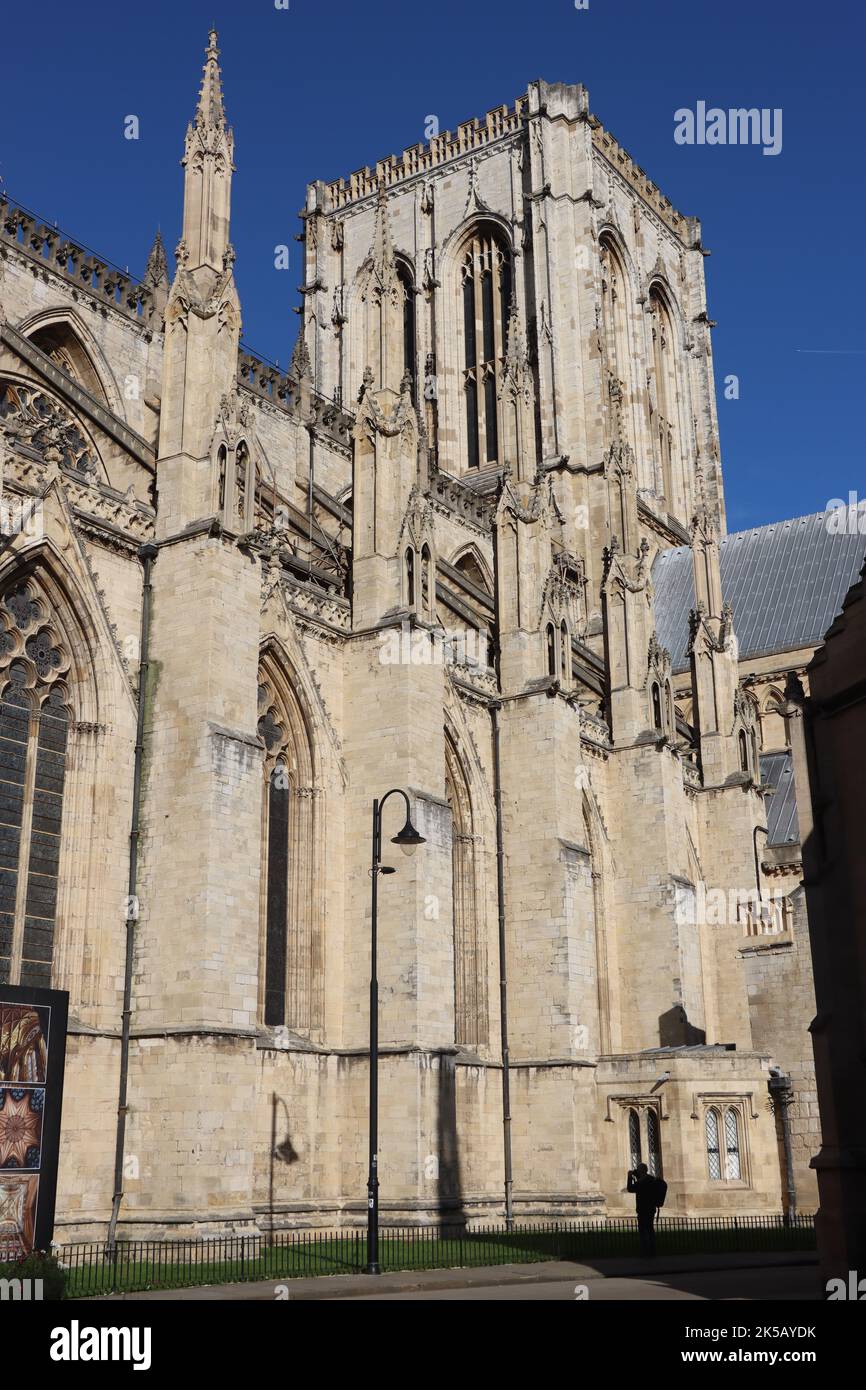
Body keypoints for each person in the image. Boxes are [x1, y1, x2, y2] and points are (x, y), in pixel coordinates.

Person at [627, 1163, 667, 1256]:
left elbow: (630, 1188)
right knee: (650, 1229)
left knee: (643, 1231)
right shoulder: (651, 1179)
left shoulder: (641, 1182)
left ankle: (645, 1251)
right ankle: (652, 1251)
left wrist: (629, 1177)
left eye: (638, 1170)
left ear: (641, 1171)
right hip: (651, 1209)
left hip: (642, 1210)